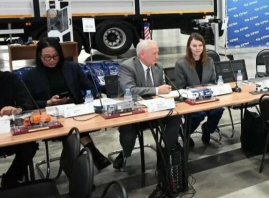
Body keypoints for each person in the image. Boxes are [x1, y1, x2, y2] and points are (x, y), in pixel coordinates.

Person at [24, 37, 111, 171]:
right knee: (73, 131)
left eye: (55, 56)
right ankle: (93, 155)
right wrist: (48, 102)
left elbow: (90, 87)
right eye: (47, 57)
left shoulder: (72, 68)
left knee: (74, 129)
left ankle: (79, 167)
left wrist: (88, 98)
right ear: (39, 56)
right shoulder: (31, 75)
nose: (52, 60)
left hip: (75, 110)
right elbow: (27, 102)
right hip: (49, 115)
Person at [113, 40, 181, 181]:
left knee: (175, 116)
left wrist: (164, 92)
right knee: (128, 132)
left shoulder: (158, 66)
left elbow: (161, 90)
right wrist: (156, 90)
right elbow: (130, 90)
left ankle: (166, 151)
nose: (158, 57)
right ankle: (125, 153)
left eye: (158, 53)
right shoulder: (127, 67)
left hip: (155, 109)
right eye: (154, 53)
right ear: (142, 54)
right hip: (134, 110)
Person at [174, 33, 224, 147]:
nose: (198, 48)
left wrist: (207, 93)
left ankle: (207, 128)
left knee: (218, 110)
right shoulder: (181, 64)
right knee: (199, 114)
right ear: (189, 47)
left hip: (208, 97)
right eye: (194, 46)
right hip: (190, 100)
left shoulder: (209, 61)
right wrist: (196, 90)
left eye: (200, 45)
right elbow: (180, 88)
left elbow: (213, 82)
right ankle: (186, 133)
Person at [0, 72, 38, 188]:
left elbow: (28, 102)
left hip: (9, 131)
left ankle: (11, 179)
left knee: (29, 144)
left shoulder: (8, 78)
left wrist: (18, 109)